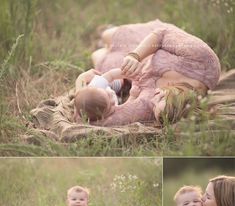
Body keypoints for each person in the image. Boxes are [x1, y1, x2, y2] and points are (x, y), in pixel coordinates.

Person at [90, 19, 220, 126]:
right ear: (180, 97)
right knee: (107, 35)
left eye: (154, 106)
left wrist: (133, 97)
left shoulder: (159, 107)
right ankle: (108, 37)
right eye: (162, 98)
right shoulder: (203, 62)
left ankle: (104, 48)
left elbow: (112, 119)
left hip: (127, 69)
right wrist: (134, 56)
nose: (155, 97)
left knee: (97, 55)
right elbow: (162, 35)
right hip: (149, 43)